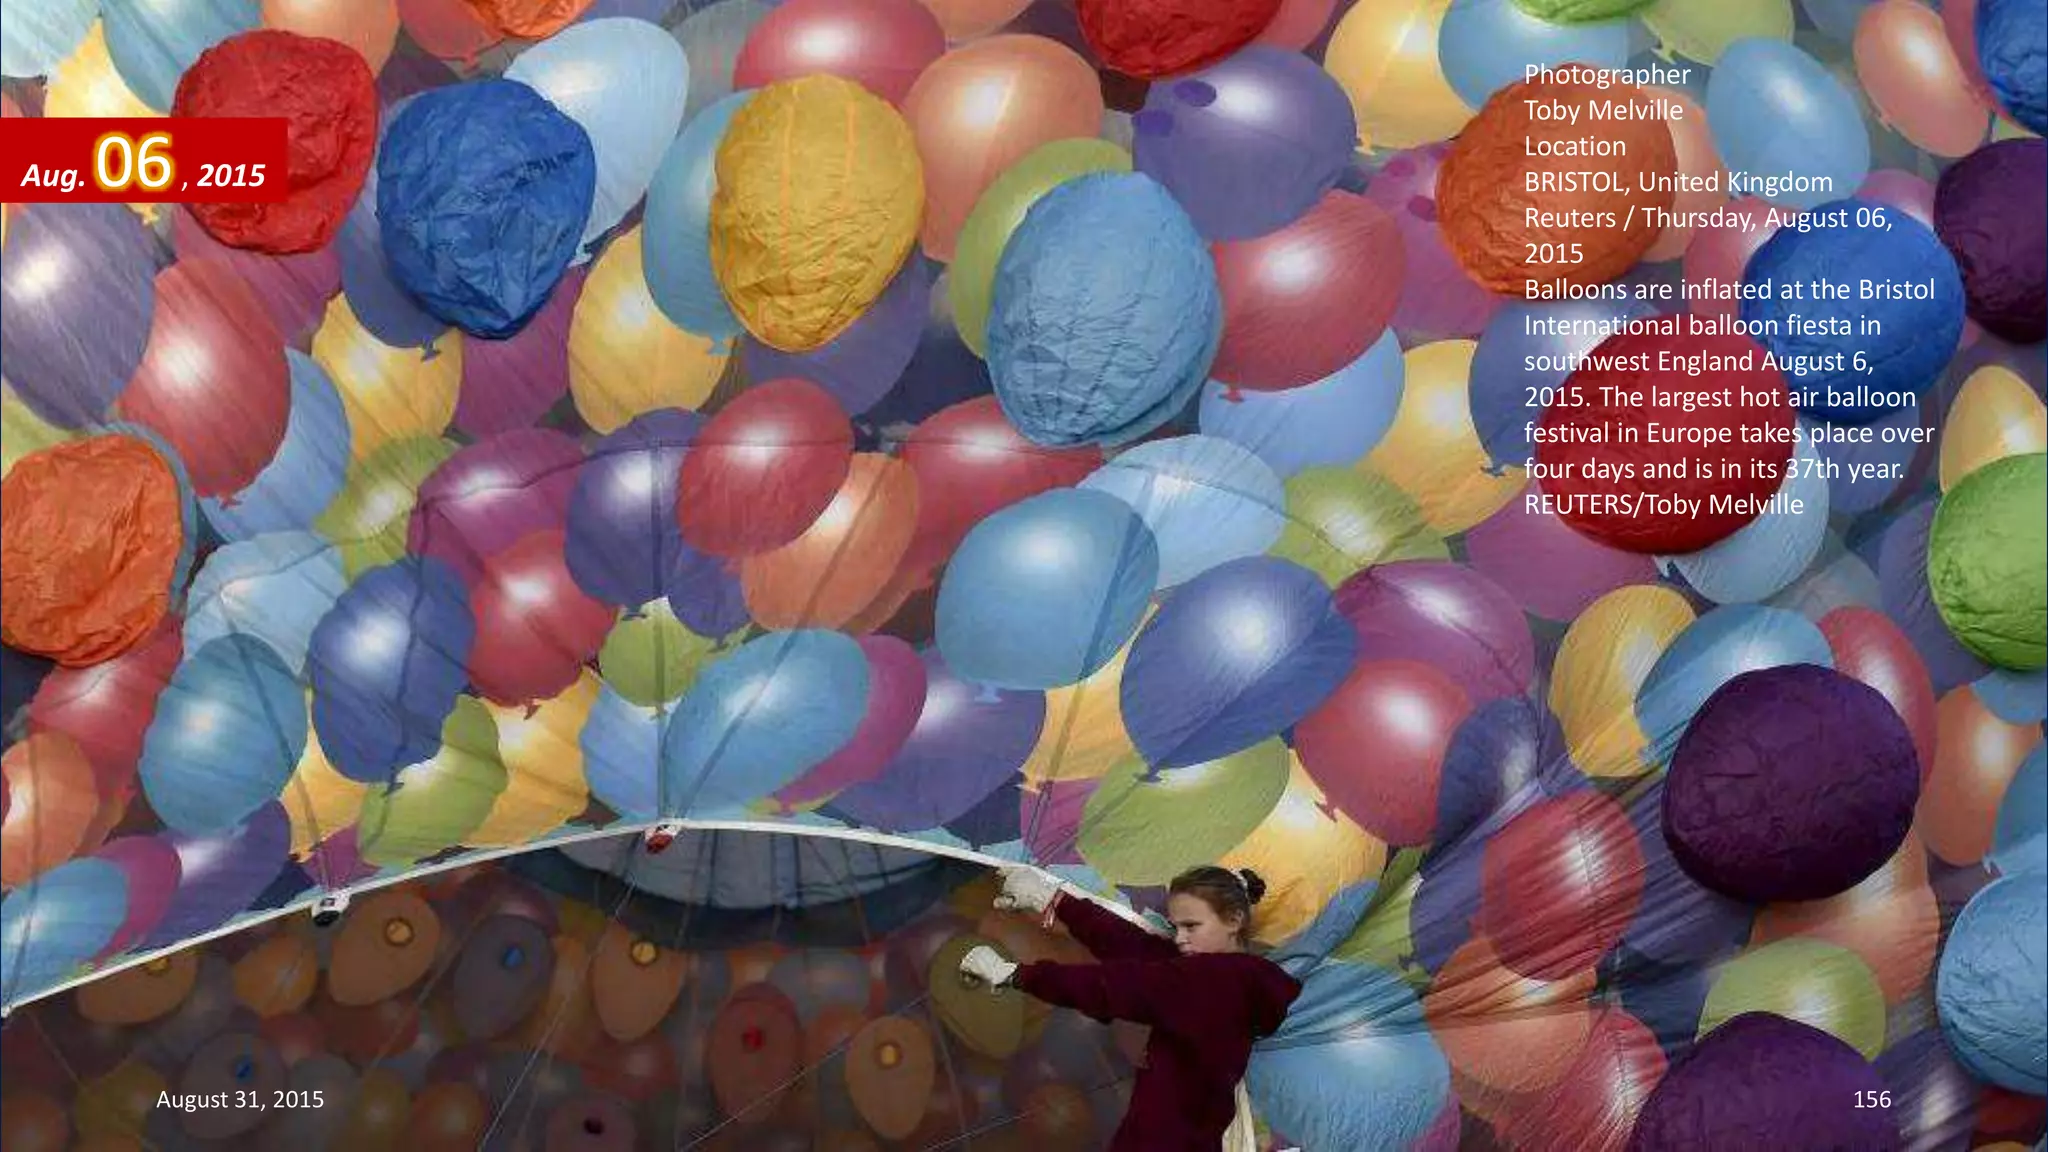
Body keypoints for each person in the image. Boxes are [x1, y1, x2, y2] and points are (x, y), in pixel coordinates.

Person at [959, 864, 1302, 1152]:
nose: (1180, 938)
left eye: (1191, 926)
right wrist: (1054, 900)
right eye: (1176, 927)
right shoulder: (1228, 980)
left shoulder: (1210, 982)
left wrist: (1018, 975)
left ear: (1233, 920)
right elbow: (1135, 947)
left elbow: (1115, 986)